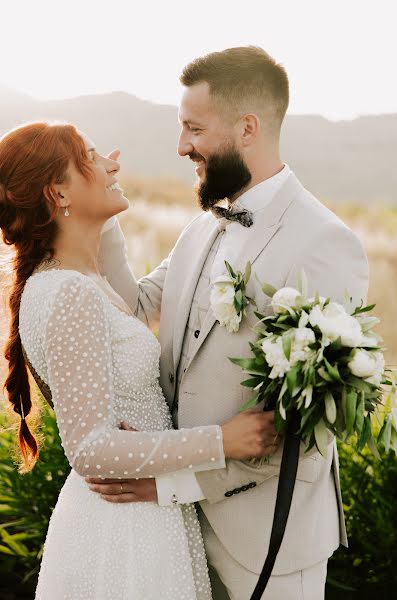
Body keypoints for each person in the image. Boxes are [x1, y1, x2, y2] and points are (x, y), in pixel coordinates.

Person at [89, 47, 369, 599]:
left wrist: (168, 483)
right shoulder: (204, 225)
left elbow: (303, 431)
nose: (181, 146)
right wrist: (103, 219)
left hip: (269, 541)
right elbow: (139, 305)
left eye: (194, 128)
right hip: (181, 531)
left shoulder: (325, 243)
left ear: (247, 128)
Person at [0, 121, 279, 600]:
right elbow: (91, 449)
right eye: (91, 157)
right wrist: (223, 441)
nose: (113, 162)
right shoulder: (68, 293)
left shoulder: (79, 282)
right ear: (58, 192)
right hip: (122, 532)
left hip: (142, 518)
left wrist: (100, 206)